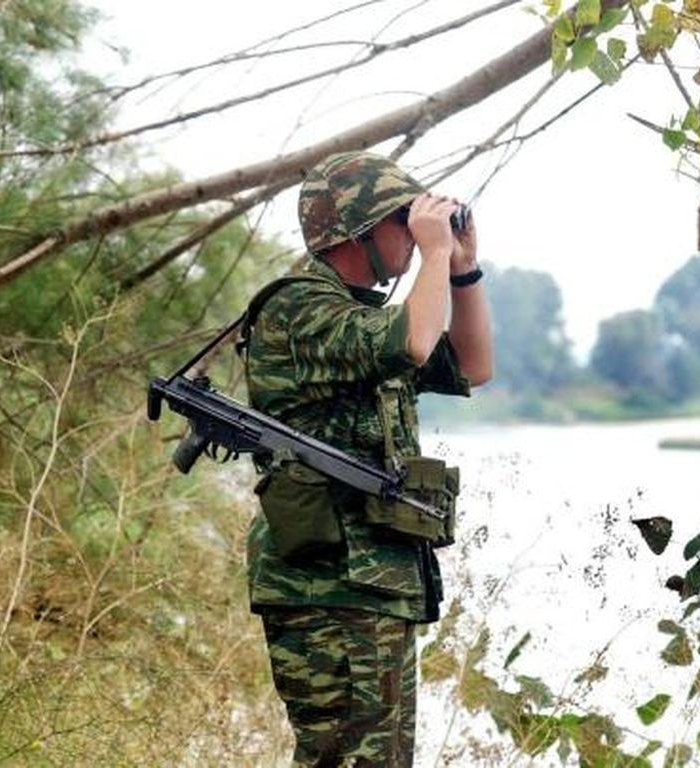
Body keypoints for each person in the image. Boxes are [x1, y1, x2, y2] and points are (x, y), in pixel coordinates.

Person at [242, 151, 493, 767]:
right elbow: (413, 341)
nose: (413, 233)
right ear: (356, 230)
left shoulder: (358, 317)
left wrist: (462, 271)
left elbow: (473, 365)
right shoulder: (298, 308)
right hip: (327, 585)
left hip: (370, 582)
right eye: (401, 219)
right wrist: (433, 256)